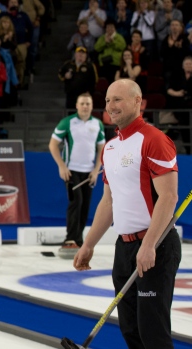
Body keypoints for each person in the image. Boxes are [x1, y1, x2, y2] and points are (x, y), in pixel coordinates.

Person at [74, 79, 181, 349]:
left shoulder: (154, 140)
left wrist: (148, 245)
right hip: (125, 247)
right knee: (130, 330)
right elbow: (107, 203)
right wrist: (88, 244)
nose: (111, 106)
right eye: (108, 100)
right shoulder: (109, 148)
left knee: (152, 332)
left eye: (118, 100)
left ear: (137, 101)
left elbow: (169, 197)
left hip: (155, 245)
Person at [48, 93, 104, 252]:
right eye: (82, 103)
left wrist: (96, 169)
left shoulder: (97, 124)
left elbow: (101, 148)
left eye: (88, 103)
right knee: (76, 202)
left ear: (92, 106)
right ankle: (70, 238)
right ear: (77, 105)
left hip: (89, 173)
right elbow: (53, 145)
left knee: (85, 205)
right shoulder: (67, 122)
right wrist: (62, 166)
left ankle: (78, 240)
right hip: (71, 172)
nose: (85, 106)